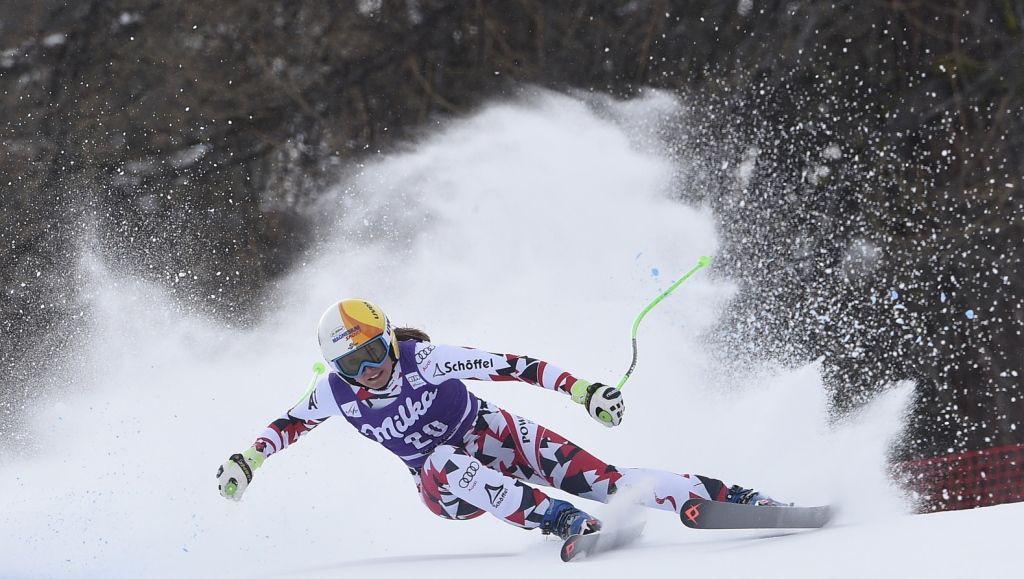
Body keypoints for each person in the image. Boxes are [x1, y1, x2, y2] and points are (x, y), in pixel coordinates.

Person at [217, 298, 785, 540]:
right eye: (351, 363)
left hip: (495, 435)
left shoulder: (427, 360)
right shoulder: (335, 392)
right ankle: (558, 520)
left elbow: (514, 366)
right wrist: (248, 460)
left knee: (610, 482)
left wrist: (582, 391)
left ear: (390, 339)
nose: (367, 371)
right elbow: (286, 425)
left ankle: (733, 497)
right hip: (445, 487)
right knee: (443, 459)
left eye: (374, 353)